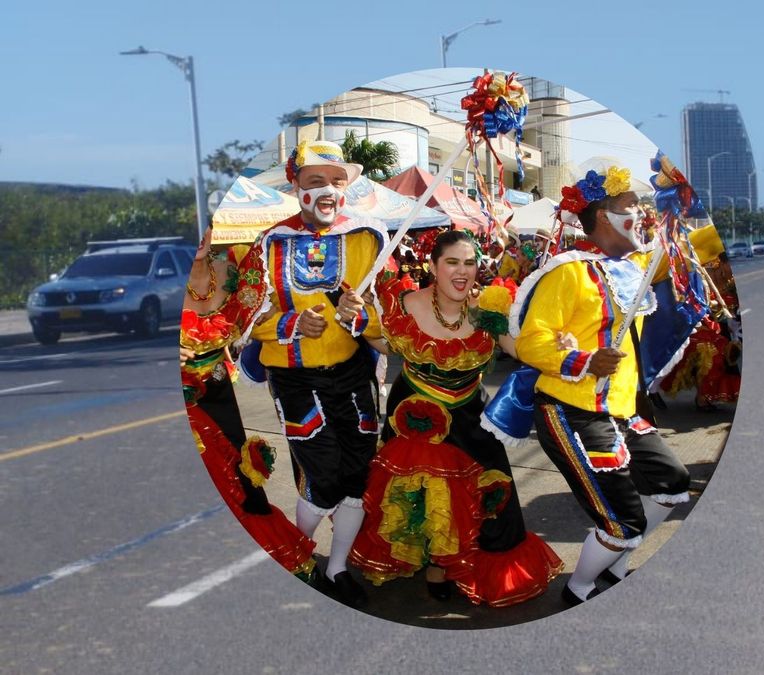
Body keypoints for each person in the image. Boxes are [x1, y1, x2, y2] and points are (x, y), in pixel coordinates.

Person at [349, 230, 562, 606]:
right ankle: (429, 561)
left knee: (483, 494)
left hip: (469, 414)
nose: (462, 271)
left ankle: (450, 563)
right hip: (416, 414)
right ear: (433, 267)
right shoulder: (405, 303)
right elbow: (386, 343)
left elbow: (518, 349)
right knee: (416, 494)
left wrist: (556, 347)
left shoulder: (488, 307)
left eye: (469, 263)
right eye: (452, 262)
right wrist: (360, 319)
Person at [513, 166, 692, 605]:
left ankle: (615, 566)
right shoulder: (568, 273)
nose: (640, 213)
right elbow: (532, 342)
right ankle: (578, 591)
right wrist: (586, 360)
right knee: (622, 522)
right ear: (603, 216)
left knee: (672, 483)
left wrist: (683, 202)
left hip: (622, 410)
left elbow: (689, 247)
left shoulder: (637, 265)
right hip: (572, 411)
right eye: (630, 206)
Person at [236, 140, 385, 608]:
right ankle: (296, 559)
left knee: (358, 474)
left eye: (337, 181)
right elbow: (243, 318)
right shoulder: (269, 244)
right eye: (316, 181)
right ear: (295, 186)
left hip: (353, 374)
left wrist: (359, 316)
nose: (328, 191)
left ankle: (337, 568)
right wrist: (290, 325)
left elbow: (387, 319)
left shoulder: (367, 239)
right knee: (323, 474)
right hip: (296, 378)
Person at [180, 225, 316, 579]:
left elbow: (265, 317)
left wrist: (296, 321)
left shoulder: (235, 266)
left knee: (240, 481)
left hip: (220, 394)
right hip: (182, 401)